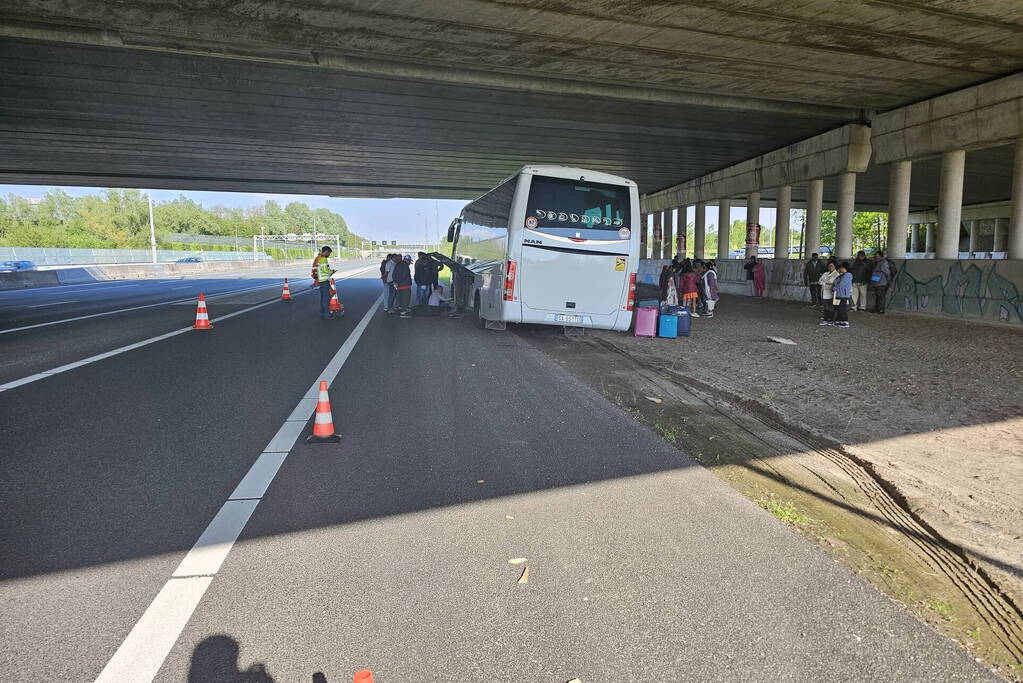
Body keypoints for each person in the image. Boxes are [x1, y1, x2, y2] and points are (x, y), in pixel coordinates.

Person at [310, 246, 337, 319]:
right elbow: (325, 270)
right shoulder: (323, 259)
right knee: (326, 298)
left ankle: (323, 313)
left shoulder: (318, 258)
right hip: (324, 281)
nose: (329, 255)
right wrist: (332, 271)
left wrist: (316, 279)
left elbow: (318, 270)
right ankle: (327, 315)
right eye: (329, 253)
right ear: (326, 252)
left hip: (321, 281)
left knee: (323, 298)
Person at [391, 253, 414, 318]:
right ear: (407, 260)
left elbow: (393, 275)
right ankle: (403, 312)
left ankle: (403, 309)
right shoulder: (405, 266)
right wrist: (403, 282)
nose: (410, 263)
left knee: (401, 298)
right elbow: (404, 276)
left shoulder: (398, 264)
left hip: (399, 285)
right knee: (406, 298)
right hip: (405, 285)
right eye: (409, 261)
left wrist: (396, 283)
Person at [870, 250, 892, 314]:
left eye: (877, 256)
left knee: (881, 296)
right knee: (878, 296)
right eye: (876, 256)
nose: (876, 257)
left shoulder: (883, 263)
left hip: (881, 283)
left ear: (881, 256)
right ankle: (877, 309)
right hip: (877, 282)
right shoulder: (878, 262)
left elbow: (887, 273)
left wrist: (888, 281)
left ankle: (881, 310)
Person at [818, 261, 839, 326]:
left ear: (835, 266)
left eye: (832, 266)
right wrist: (826, 283)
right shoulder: (825, 273)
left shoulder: (836, 274)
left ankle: (831, 320)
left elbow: (833, 283)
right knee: (825, 307)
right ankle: (826, 320)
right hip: (824, 292)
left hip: (831, 293)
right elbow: (819, 281)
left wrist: (824, 282)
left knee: (831, 307)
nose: (830, 267)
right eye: (829, 266)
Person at [833, 261, 853, 328]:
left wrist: (834, 288)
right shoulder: (842, 275)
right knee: (839, 308)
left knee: (842, 309)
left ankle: (845, 322)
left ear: (845, 268)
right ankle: (840, 321)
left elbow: (840, 284)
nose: (840, 269)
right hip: (839, 294)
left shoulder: (847, 275)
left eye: (841, 267)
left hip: (843, 295)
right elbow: (835, 282)